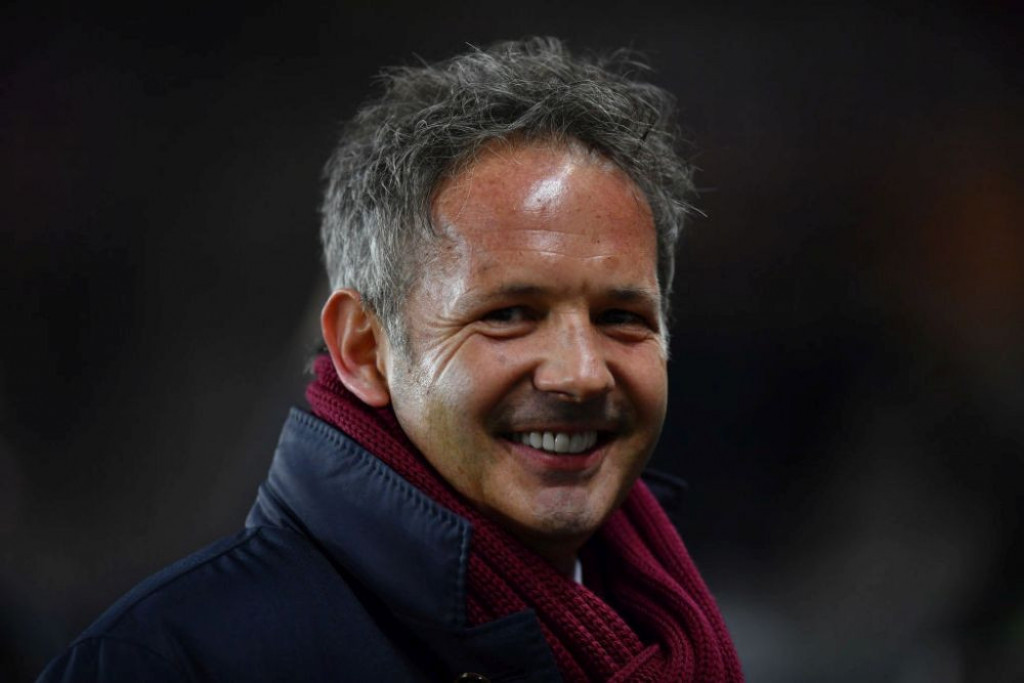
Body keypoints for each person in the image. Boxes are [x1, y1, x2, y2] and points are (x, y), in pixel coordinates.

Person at [40, 37, 743, 682]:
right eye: (509, 315)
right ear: (364, 348)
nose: (581, 373)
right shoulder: (162, 662)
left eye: (621, 318)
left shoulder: (675, 633)